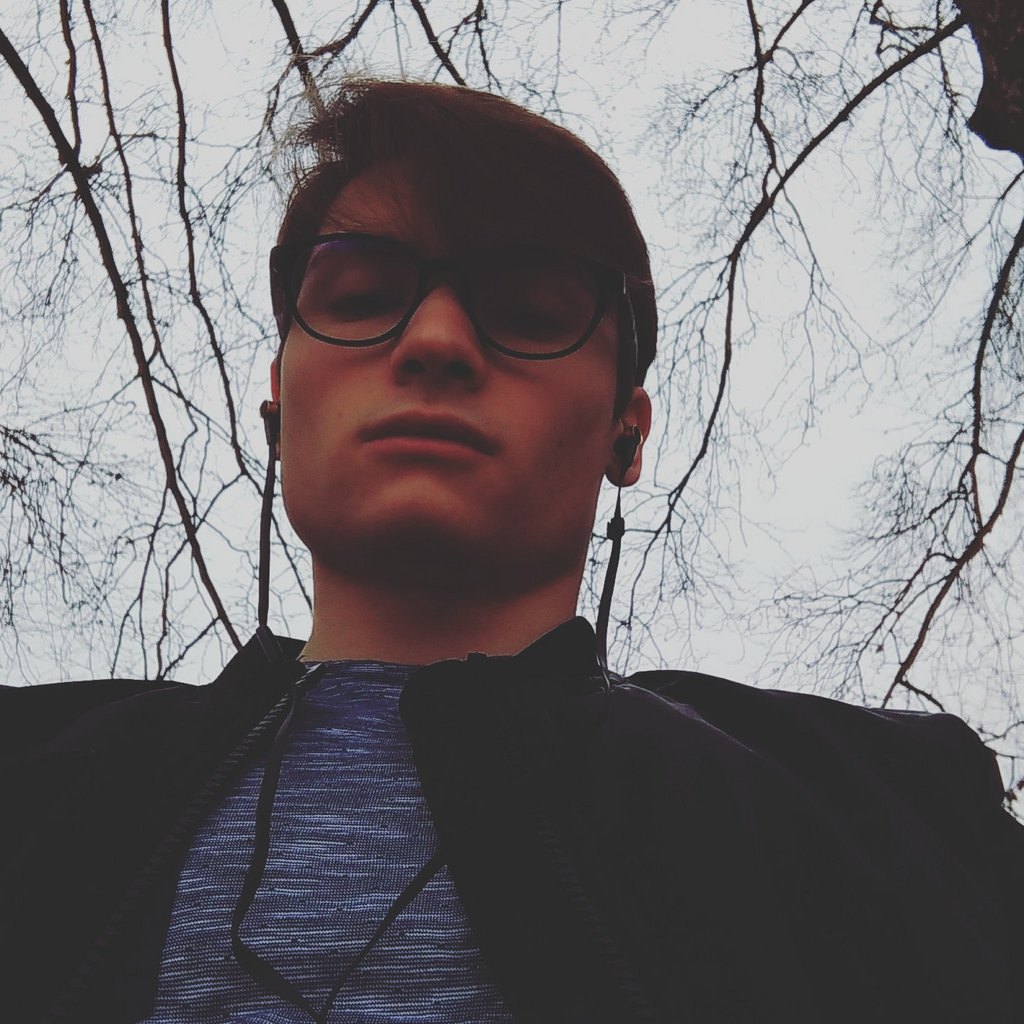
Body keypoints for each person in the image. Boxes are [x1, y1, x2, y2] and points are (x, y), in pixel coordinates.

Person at [2, 78, 1021, 1024]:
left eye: (528, 311)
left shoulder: (893, 819)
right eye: (360, 296)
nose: (435, 341)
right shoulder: (29, 778)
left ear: (626, 433)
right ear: (275, 403)